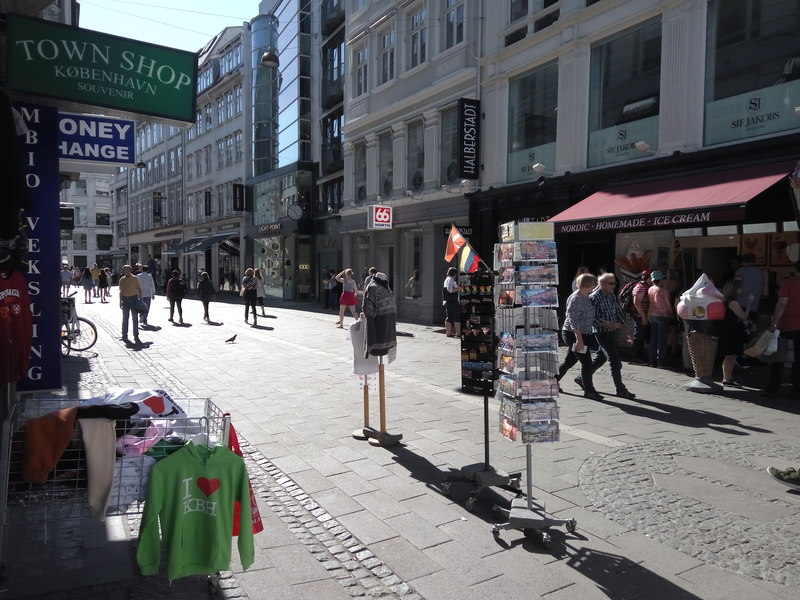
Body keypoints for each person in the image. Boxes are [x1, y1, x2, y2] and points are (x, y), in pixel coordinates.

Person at [575, 273, 636, 399]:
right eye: (611, 283)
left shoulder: (611, 295)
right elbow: (592, 317)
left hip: (611, 331)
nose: (614, 285)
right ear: (602, 284)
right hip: (601, 332)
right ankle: (621, 389)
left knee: (600, 358)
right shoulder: (594, 297)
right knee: (615, 362)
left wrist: (628, 331)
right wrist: (608, 324)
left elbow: (618, 313)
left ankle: (581, 378)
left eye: (615, 283)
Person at [557, 273, 603, 400]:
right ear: (588, 284)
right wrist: (579, 339)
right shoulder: (576, 298)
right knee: (587, 363)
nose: (594, 286)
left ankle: (552, 381)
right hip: (573, 334)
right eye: (593, 284)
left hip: (583, 333)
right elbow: (573, 321)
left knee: (569, 361)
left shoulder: (586, 296)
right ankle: (589, 391)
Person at [762, 260, 800, 399]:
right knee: (798, 361)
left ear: (795, 269)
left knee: (778, 358)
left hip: (787, 325)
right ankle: (796, 391)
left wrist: (774, 323)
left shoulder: (789, 283)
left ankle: (772, 389)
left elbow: (782, 303)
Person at [718, 281, 751, 387]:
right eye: (739, 288)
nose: (740, 290)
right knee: (730, 355)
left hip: (727, 329)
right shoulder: (733, 302)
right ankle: (727, 378)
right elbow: (743, 316)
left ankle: (728, 377)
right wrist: (750, 304)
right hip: (732, 331)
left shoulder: (724, 300)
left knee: (731, 355)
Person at [647, 270, 673, 368]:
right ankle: (660, 362)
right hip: (663, 316)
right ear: (661, 280)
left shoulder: (650, 289)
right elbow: (668, 304)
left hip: (652, 316)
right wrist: (672, 314)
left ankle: (652, 361)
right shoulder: (664, 291)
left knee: (653, 339)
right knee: (662, 340)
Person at [630, 270, 653, 364]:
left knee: (642, 336)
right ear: (648, 278)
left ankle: (639, 356)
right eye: (651, 278)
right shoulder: (641, 287)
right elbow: (636, 302)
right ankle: (635, 357)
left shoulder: (645, 286)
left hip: (643, 315)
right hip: (640, 316)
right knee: (639, 336)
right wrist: (643, 316)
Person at [118, 264, 142, 344]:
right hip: (125, 299)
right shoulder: (122, 279)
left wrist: (140, 300)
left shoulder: (135, 278)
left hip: (134, 299)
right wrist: (120, 301)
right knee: (125, 318)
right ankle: (124, 334)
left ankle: (136, 334)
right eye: (125, 270)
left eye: (128, 270)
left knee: (135, 318)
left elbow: (139, 289)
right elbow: (121, 291)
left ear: (130, 270)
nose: (126, 271)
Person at [442, 267, 460, 338]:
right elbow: (450, 290)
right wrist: (459, 288)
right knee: (457, 316)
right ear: (454, 273)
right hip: (452, 301)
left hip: (447, 301)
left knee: (449, 317)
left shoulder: (446, 279)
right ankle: (458, 333)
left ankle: (448, 333)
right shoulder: (451, 280)